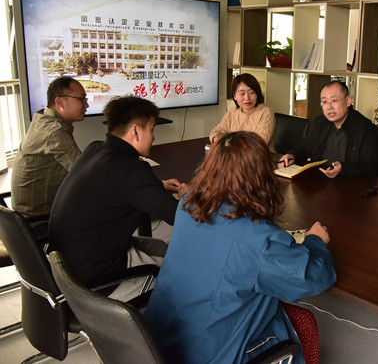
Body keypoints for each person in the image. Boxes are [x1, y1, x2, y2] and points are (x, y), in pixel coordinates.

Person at [144, 131, 336, 364]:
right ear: (262, 176)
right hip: (212, 355)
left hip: (157, 344)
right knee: (304, 323)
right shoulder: (259, 241)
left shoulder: (188, 203)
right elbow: (314, 277)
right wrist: (314, 240)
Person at [49, 96, 184, 299]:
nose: (153, 137)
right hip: (95, 279)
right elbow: (179, 217)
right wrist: (196, 195)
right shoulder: (131, 170)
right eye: (151, 129)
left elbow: (118, 187)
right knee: (181, 280)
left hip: (68, 266)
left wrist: (157, 186)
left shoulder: (95, 149)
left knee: (159, 248)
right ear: (136, 131)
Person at [11, 76, 88, 238]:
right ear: (60, 102)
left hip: (25, 216)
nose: (86, 105)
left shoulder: (43, 119)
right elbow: (84, 173)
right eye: (81, 99)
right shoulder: (54, 131)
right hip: (38, 221)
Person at [278, 81, 378, 178]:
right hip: (319, 179)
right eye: (325, 102)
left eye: (334, 101)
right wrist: (292, 155)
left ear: (348, 101)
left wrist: (343, 169)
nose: (329, 107)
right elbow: (307, 146)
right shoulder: (320, 122)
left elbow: (370, 166)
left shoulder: (365, 127)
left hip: (349, 183)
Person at [209, 73, 275, 147]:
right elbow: (216, 131)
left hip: (258, 154)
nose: (247, 98)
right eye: (242, 94)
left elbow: (259, 143)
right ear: (234, 96)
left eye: (251, 93)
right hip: (234, 152)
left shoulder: (266, 112)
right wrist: (216, 139)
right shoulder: (233, 112)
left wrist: (228, 143)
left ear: (257, 94)